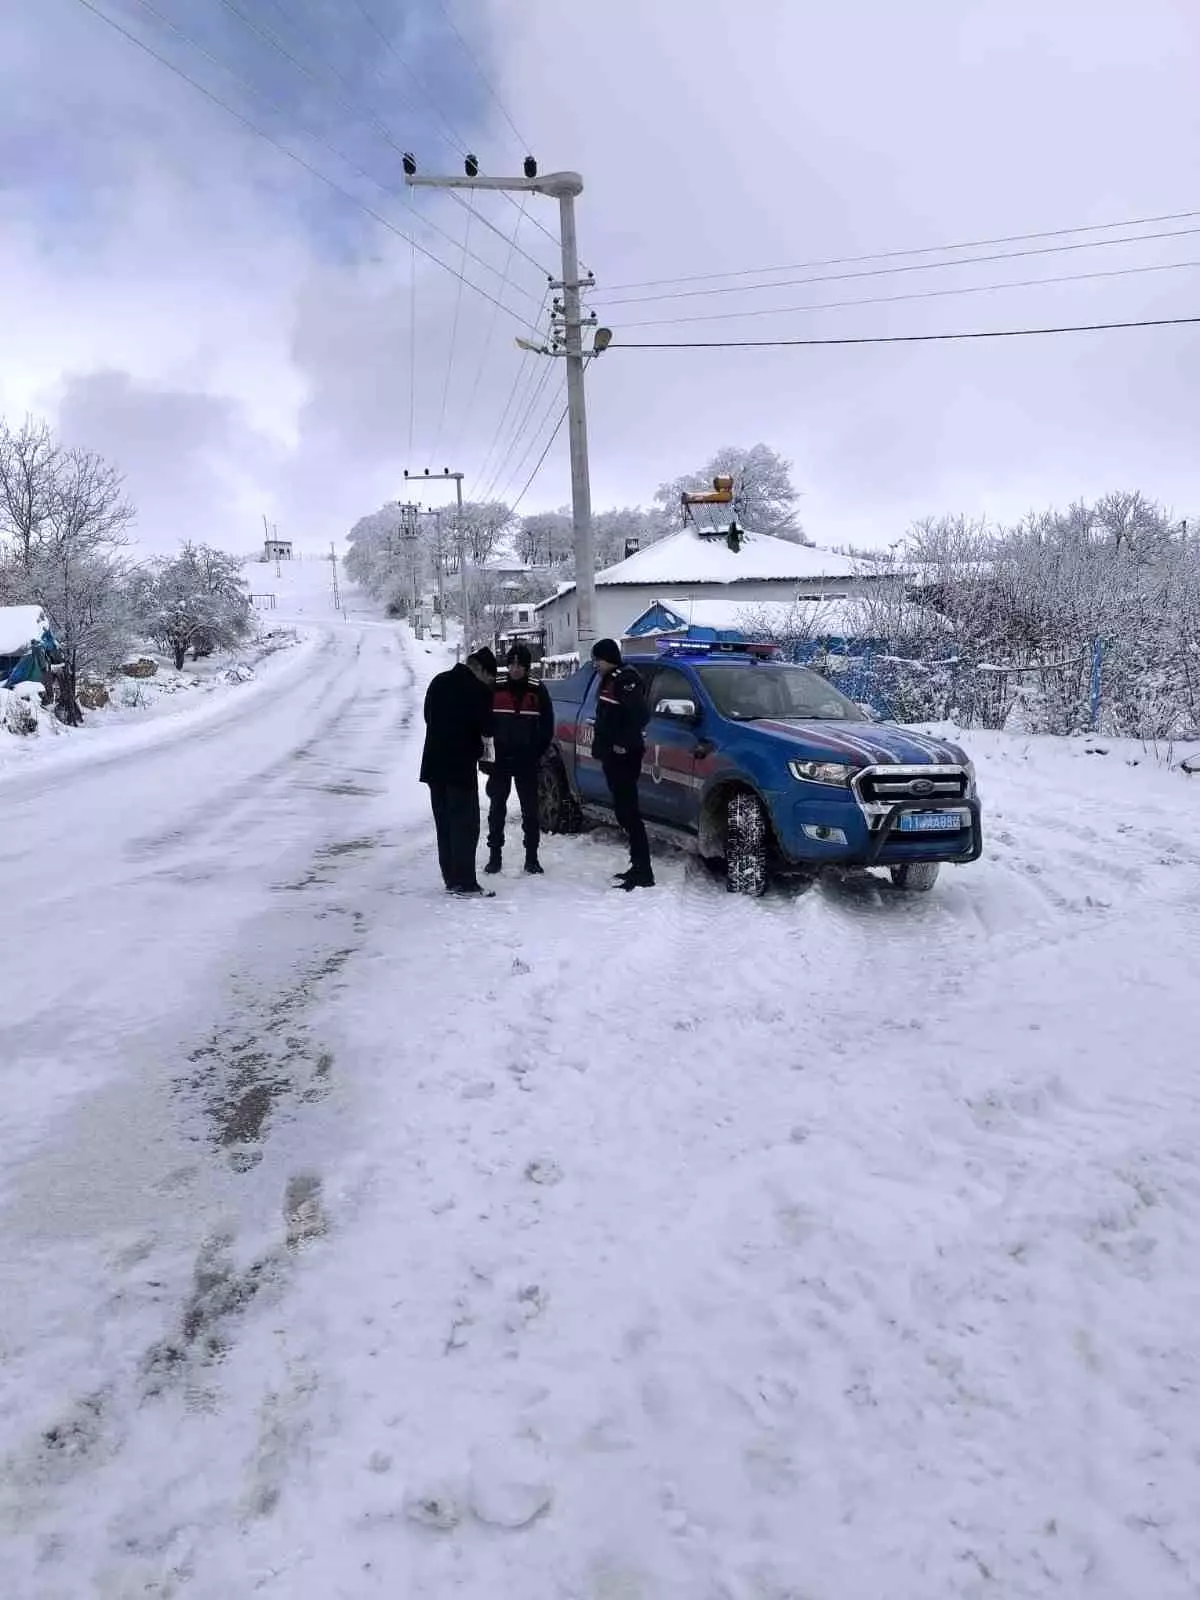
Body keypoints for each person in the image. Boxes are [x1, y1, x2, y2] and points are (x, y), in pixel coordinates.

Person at [419, 647, 497, 896]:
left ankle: (451, 878)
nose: (490, 683)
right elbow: (487, 727)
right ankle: (465, 882)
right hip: (460, 768)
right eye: (490, 677)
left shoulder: (438, 681)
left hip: (434, 766)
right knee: (465, 824)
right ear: (482, 670)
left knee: (445, 824)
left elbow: (427, 716)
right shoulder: (478, 691)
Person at [485, 643, 555, 876]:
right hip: (500, 760)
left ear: (527, 667)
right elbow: (483, 723)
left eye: (520, 664)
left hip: (527, 760)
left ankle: (532, 858)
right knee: (497, 810)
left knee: (530, 811)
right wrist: (486, 756)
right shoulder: (495, 688)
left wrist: (536, 752)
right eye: (512, 663)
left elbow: (547, 727)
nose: (515, 668)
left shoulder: (537, 690)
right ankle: (494, 856)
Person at [590, 637, 654, 890]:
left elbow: (639, 715)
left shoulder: (626, 678)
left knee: (629, 812)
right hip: (612, 755)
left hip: (624, 755)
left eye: (598, 659)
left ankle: (643, 871)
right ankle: (636, 866)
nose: (595, 663)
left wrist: (622, 744)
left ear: (609, 658)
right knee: (623, 811)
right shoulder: (609, 678)